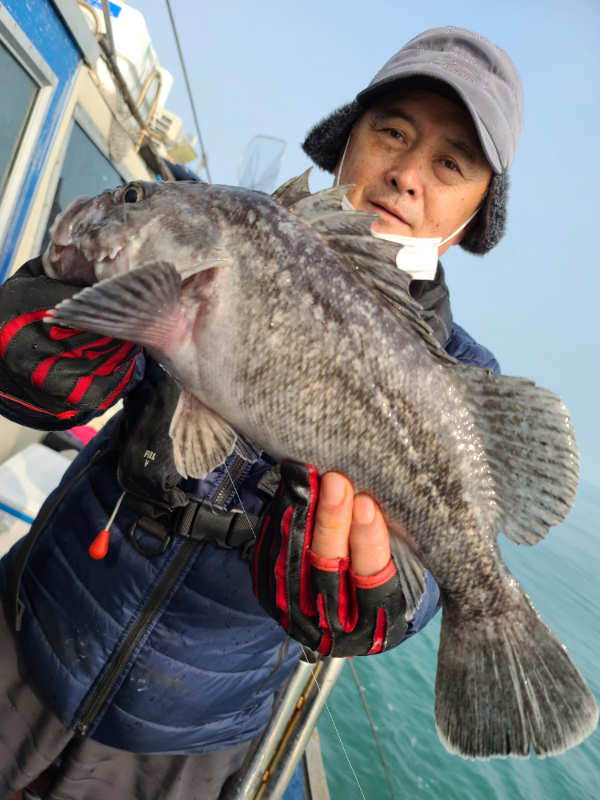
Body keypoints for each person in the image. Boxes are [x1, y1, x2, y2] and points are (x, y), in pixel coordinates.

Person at [0, 26, 521, 800]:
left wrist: (380, 603)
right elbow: (39, 388)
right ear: (348, 141)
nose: (408, 174)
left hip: (189, 741)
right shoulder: (227, 234)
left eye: (451, 163)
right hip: (28, 625)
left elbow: (423, 589)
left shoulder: (464, 376)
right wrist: (51, 324)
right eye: (392, 132)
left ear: (477, 212)